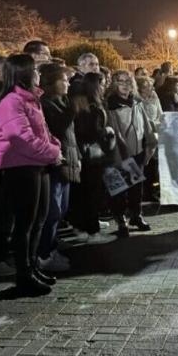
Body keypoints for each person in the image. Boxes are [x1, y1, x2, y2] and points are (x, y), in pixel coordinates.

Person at [0, 54, 63, 296]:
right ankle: (23, 275)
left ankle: (31, 267)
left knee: (39, 219)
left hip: (37, 165)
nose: (39, 74)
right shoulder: (11, 102)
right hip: (20, 168)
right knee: (25, 224)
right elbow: (22, 138)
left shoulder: (31, 99)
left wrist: (54, 145)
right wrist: (53, 152)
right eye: (35, 70)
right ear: (24, 72)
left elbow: (41, 131)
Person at [38, 64, 82, 273]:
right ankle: (45, 253)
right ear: (51, 82)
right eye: (63, 80)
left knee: (62, 208)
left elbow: (71, 135)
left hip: (69, 158)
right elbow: (57, 128)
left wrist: (77, 156)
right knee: (52, 210)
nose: (67, 84)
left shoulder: (62, 101)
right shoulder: (45, 104)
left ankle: (53, 243)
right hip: (56, 162)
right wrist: (72, 110)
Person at [68, 72, 117, 245]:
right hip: (91, 155)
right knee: (91, 193)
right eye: (103, 83)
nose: (105, 86)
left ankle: (82, 226)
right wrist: (106, 133)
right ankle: (92, 231)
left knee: (84, 193)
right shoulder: (91, 106)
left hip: (85, 154)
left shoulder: (81, 102)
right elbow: (90, 130)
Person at [106, 71, 157, 233]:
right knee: (119, 189)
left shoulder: (137, 102)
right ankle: (120, 219)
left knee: (136, 188)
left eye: (128, 81)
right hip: (118, 153)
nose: (125, 84)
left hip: (138, 150)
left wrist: (150, 143)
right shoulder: (110, 104)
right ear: (114, 84)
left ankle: (136, 215)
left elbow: (147, 125)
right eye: (120, 81)